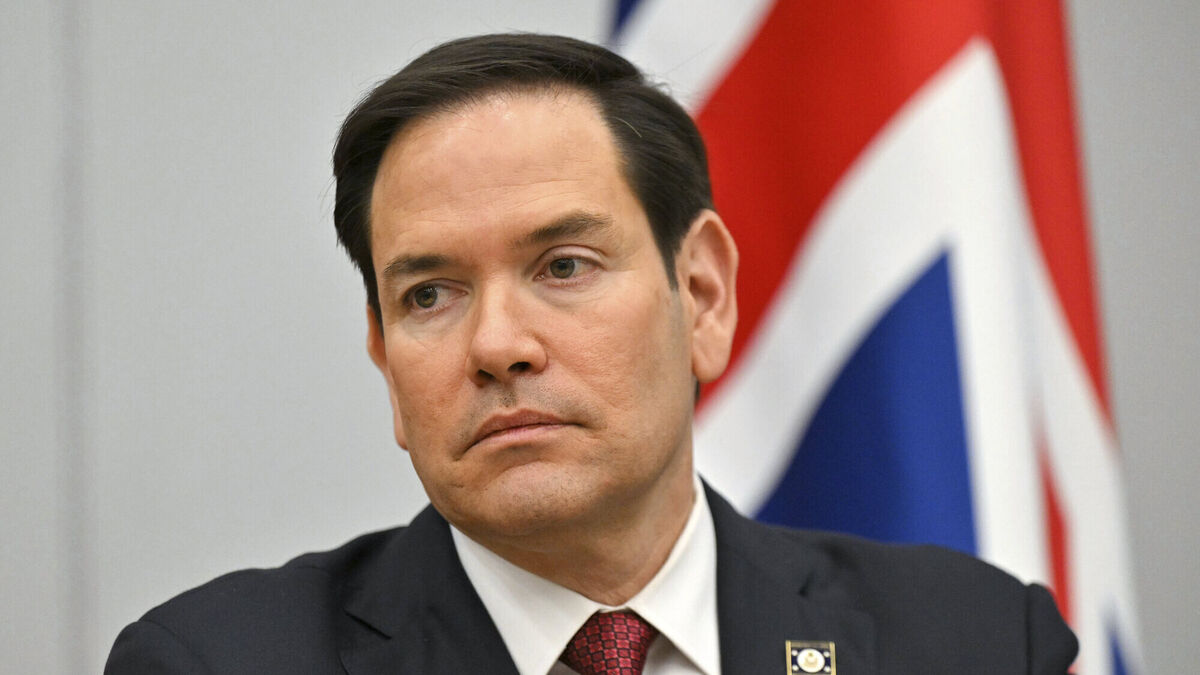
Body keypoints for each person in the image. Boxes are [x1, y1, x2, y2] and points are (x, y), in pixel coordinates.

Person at [105, 34, 1077, 675]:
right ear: (385, 360)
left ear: (702, 295)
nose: (497, 345)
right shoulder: (214, 663)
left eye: (563, 266)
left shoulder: (980, 643)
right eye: (429, 294)